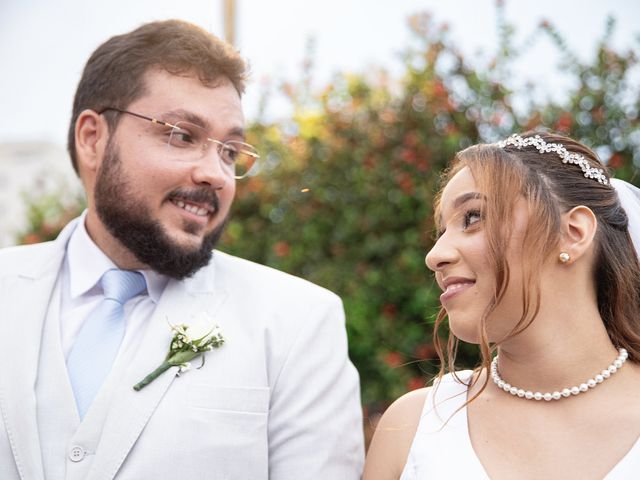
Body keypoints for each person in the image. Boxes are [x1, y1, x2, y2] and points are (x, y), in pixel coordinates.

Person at [0, 20, 364, 479]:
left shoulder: (298, 323)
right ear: (93, 138)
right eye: (182, 135)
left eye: (230, 151)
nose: (215, 173)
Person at [363, 131, 640, 479]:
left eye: (473, 217)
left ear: (573, 232)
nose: (435, 256)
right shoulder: (411, 427)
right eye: (441, 232)